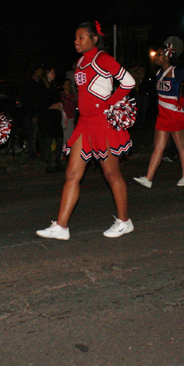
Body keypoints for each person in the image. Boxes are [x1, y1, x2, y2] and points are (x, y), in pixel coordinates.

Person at [36, 21, 136, 240]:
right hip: (85, 123)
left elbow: (128, 82)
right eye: (75, 37)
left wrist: (111, 103)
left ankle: (124, 221)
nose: (77, 41)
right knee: (72, 174)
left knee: (111, 173)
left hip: (102, 123)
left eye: (82, 37)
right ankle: (61, 226)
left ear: (94, 39)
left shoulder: (103, 59)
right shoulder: (80, 62)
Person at [133, 42, 184, 188]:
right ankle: (148, 178)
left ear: (167, 57)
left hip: (176, 114)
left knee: (181, 145)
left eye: (159, 55)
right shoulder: (158, 74)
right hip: (163, 114)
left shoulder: (178, 71)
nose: (156, 57)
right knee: (159, 147)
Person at [38, 67, 65, 173]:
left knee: (59, 139)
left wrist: (59, 104)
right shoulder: (41, 86)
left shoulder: (54, 86)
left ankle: (58, 162)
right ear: (47, 74)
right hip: (46, 117)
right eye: (52, 72)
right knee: (48, 141)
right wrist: (51, 106)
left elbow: (58, 99)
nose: (54, 75)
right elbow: (40, 102)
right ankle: (48, 164)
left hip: (55, 116)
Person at [60, 78, 77, 149]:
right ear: (63, 86)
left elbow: (75, 105)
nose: (68, 86)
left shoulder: (72, 95)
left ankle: (67, 152)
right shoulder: (61, 95)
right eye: (66, 85)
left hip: (71, 117)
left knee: (70, 135)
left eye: (69, 85)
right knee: (63, 135)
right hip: (63, 116)